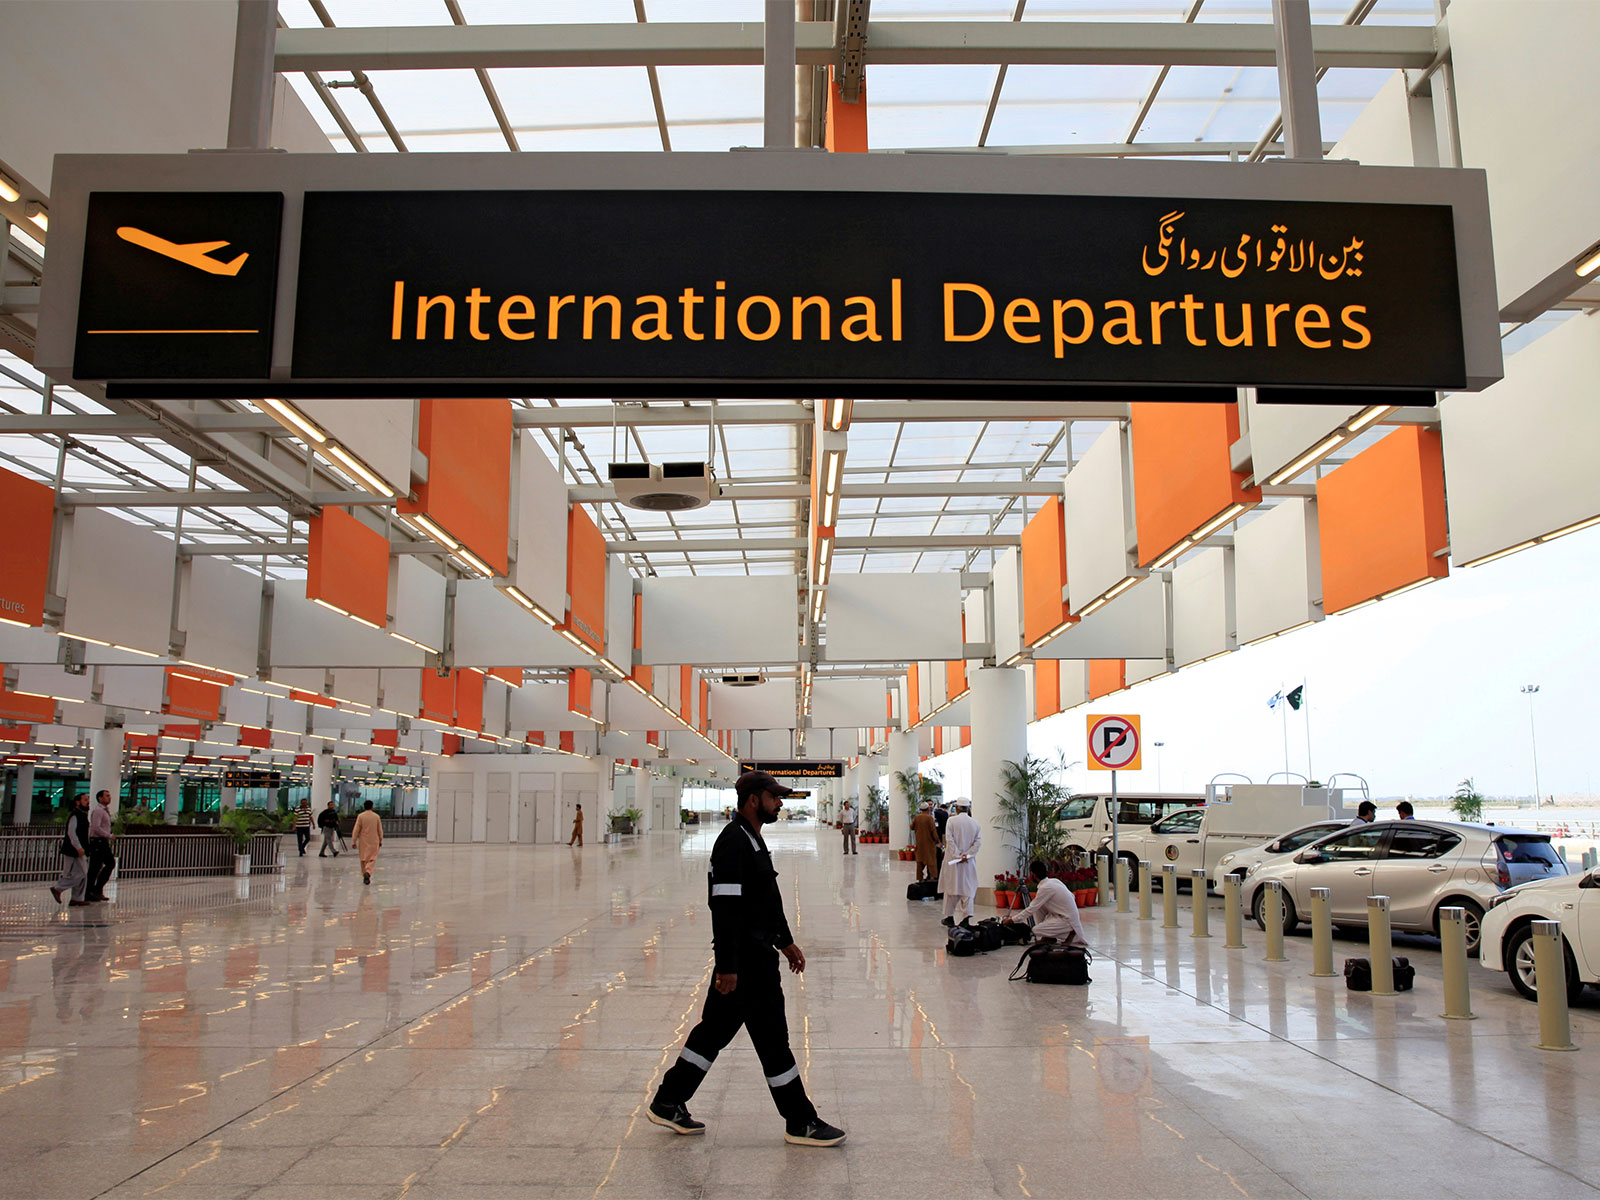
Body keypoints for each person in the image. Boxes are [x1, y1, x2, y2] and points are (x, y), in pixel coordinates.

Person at [649, 771, 845, 1148]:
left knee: (713, 1034)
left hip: (755, 955)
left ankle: (668, 1099)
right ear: (754, 799)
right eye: (774, 797)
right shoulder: (733, 843)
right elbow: (724, 908)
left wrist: (785, 942)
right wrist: (727, 966)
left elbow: (765, 900)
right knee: (772, 1039)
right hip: (747, 964)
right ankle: (800, 1121)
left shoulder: (751, 839)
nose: (780, 803)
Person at [1004, 859, 1089, 948]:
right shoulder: (1054, 881)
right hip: (1063, 916)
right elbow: (1072, 896)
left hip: (1067, 920)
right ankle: (1049, 936)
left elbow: (1030, 910)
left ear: (1033, 874)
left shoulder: (1045, 887)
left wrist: (1012, 920)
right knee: (1038, 905)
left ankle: (1070, 933)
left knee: (1035, 930)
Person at [939, 798, 981, 928]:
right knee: (967, 890)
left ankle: (949, 917)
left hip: (953, 861)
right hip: (968, 862)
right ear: (968, 809)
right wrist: (967, 855)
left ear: (956, 808)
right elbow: (978, 842)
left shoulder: (951, 821)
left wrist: (957, 855)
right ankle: (966, 918)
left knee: (951, 888)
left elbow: (949, 840)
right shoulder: (975, 823)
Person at [50, 793, 93, 907]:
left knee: (82, 874)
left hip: (80, 849)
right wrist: (78, 846)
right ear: (78, 802)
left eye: (87, 799)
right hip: (73, 850)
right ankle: (58, 888)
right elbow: (71, 832)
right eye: (85, 800)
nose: (87, 802)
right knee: (80, 874)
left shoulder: (82, 815)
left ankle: (77, 898)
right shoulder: (75, 815)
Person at [85, 789, 116, 902]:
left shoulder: (105, 810)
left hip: (102, 842)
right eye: (107, 796)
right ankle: (90, 891)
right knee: (95, 867)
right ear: (100, 798)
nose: (109, 797)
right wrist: (108, 835)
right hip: (98, 841)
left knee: (108, 864)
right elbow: (95, 827)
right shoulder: (98, 811)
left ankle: (96, 889)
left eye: (109, 795)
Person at [352, 800, 382, 885]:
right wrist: (380, 839)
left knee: (363, 858)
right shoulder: (376, 816)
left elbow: (356, 829)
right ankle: (368, 872)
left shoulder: (361, 816)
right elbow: (379, 829)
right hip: (374, 840)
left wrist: (354, 841)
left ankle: (364, 873)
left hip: (363, 840)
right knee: (372, 858)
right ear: (372, 807)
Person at [910, 800, 941, 883]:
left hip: (920, 843)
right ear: (928, 809)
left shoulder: (917, 817)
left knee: (919, 862)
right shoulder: (929, 818)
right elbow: (933, 831)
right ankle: (933, 878)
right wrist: (938, 841)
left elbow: (912, 827)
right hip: (929, 844)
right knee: (931, 861)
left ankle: (920, 878)